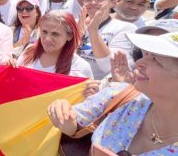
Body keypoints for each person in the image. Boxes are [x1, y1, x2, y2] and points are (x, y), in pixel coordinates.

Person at [48, 32, 178, 155]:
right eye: (146, 55)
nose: (138, 63)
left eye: (155, 60)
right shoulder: (120, 94)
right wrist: (63, 114)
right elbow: (74, 126)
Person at [78, 0, 137, 79]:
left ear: (113, 3)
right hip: (72, 83)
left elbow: (108, 67)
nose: (93, 3)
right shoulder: (75, 23)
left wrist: (93, 32)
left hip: (99, 88)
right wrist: (77, 38)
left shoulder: (125, 28)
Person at [16, 10, 93, 78]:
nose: (47, 39)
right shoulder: (28, 52)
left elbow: (90, 94)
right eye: (44, 32)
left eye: (55, 34)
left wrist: (92, 92)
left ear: (69, 36)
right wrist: (9, 65)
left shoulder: (81, 67)